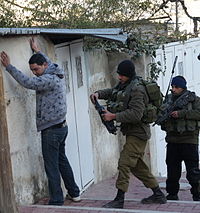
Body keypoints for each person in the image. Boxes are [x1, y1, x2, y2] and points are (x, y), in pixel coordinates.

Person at [0, 38, 80, 206]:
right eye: (32, 70)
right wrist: (37, 50)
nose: (34, 72)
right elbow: (46, 60)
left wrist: (9, 67)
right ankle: (74, 193)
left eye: (36, 69)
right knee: (61, 161)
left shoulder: (48, 79)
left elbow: (27, 82)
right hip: (61, 127)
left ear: (43, 66)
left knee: (51, 166)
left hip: (51, 130)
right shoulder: (55, 70)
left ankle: (57, 200)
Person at [90, 60, 166, 209]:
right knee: (137, 167)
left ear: (128, 75)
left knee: (124, 163)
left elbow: (136, 114)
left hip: (138, 134)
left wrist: (113, 116)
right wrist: (98, 94)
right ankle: (158, 194)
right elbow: (113, 92)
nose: (119, 77)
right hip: (131, 132)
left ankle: (119, 199)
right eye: (119, 74)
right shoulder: (126, 84)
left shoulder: (137, 90)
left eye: (121, 75)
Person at [158, 75, 200, 201]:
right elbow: (161, 113)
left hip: (189, 140)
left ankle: (197, 195)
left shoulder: (194, 100)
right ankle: (172, 194)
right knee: (172, 171)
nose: (173, 89)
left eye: (176, 87)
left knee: (193, 172)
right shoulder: (169, 100)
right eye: (172, 86)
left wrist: (182, 114)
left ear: (183, 88)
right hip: (172, 141)